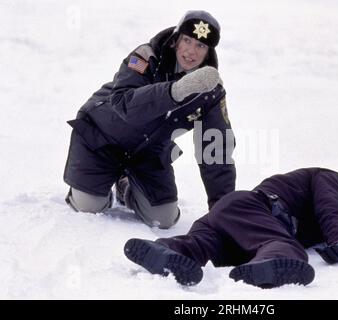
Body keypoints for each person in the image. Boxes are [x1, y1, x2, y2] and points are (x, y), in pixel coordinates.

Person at [63, 10, 236, 229]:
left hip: (148, 153)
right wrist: (176, 91)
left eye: (201, 46)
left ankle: (125, 186)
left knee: (163, 219)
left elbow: (214, 148)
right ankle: (94, 188)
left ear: (208, 52)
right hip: (101, 138)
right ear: (175, 40)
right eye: (187, 40)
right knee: (90, 206)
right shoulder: (146, 56)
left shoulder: (210, 90)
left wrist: (223, 209)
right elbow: (124, 104)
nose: (191, 51)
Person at [124, 167, 338, 288]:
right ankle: (275, 259)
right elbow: (333, 206)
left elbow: (329, 216)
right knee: (283, 246)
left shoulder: (316, 218)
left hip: (231, 219)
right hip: (255, 209)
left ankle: (166, 251)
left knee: (200, 244)